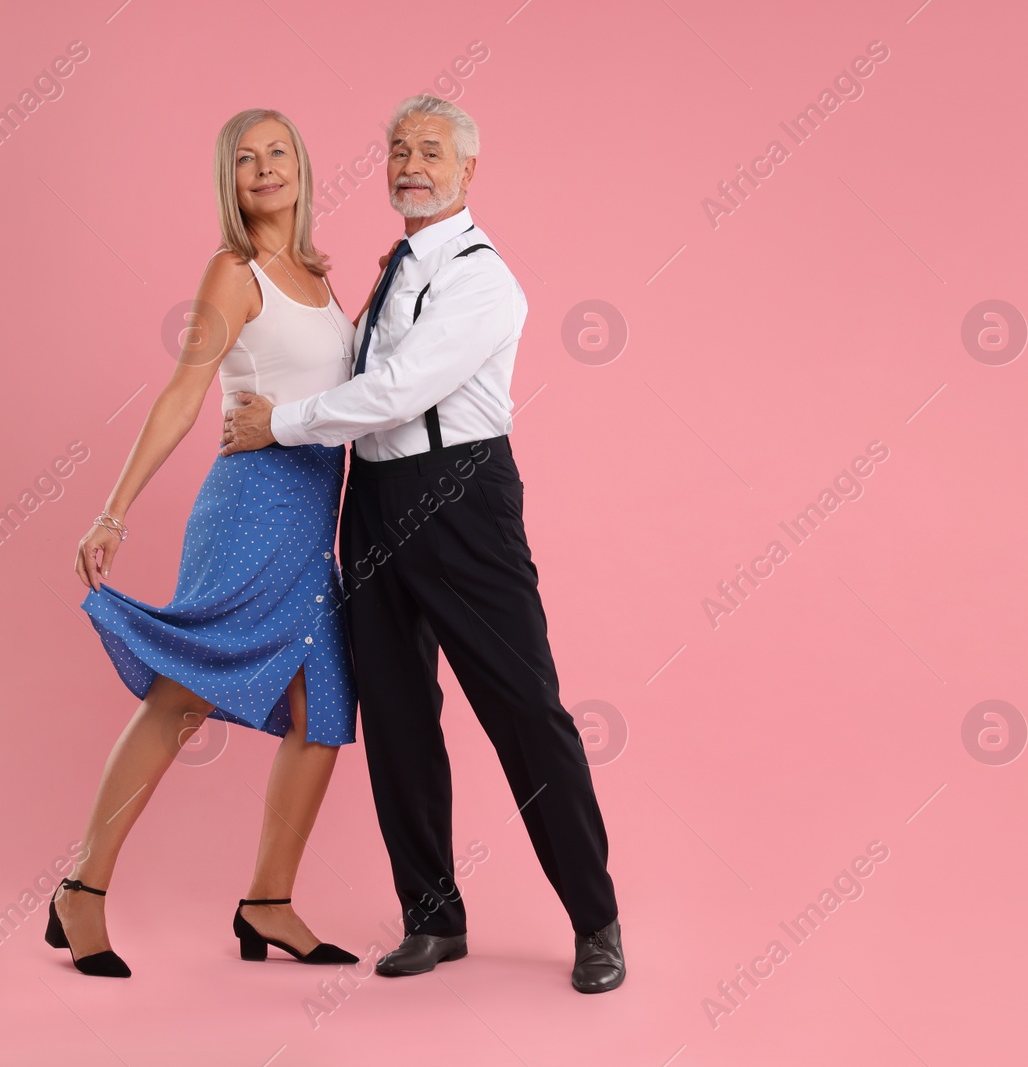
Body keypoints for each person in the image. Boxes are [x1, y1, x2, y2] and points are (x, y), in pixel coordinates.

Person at [220, 94, 625, 993]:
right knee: (399, 715)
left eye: (432, 150)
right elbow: (358, 367)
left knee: (524, 709)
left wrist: (276, 423)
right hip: (375, 496)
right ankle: (431, 915)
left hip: (461, 496)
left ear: (469, 170)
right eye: (399, 148)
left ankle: (596, 920)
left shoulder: (484, 278)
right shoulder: (391, 267)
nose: (411, 162)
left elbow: (398, 390)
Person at [48, 107, 361, 978]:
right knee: (182, 696)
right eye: (246, 159)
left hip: (312, 518)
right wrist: (114, 509)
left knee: (324, 711)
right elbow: (186, 394)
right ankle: (83, 886)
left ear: (302, 164)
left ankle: (268, 900)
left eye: (279, 153)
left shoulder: (317, 272)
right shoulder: (237, 270)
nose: (266, 168)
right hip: (251, 508)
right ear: (230, 181)